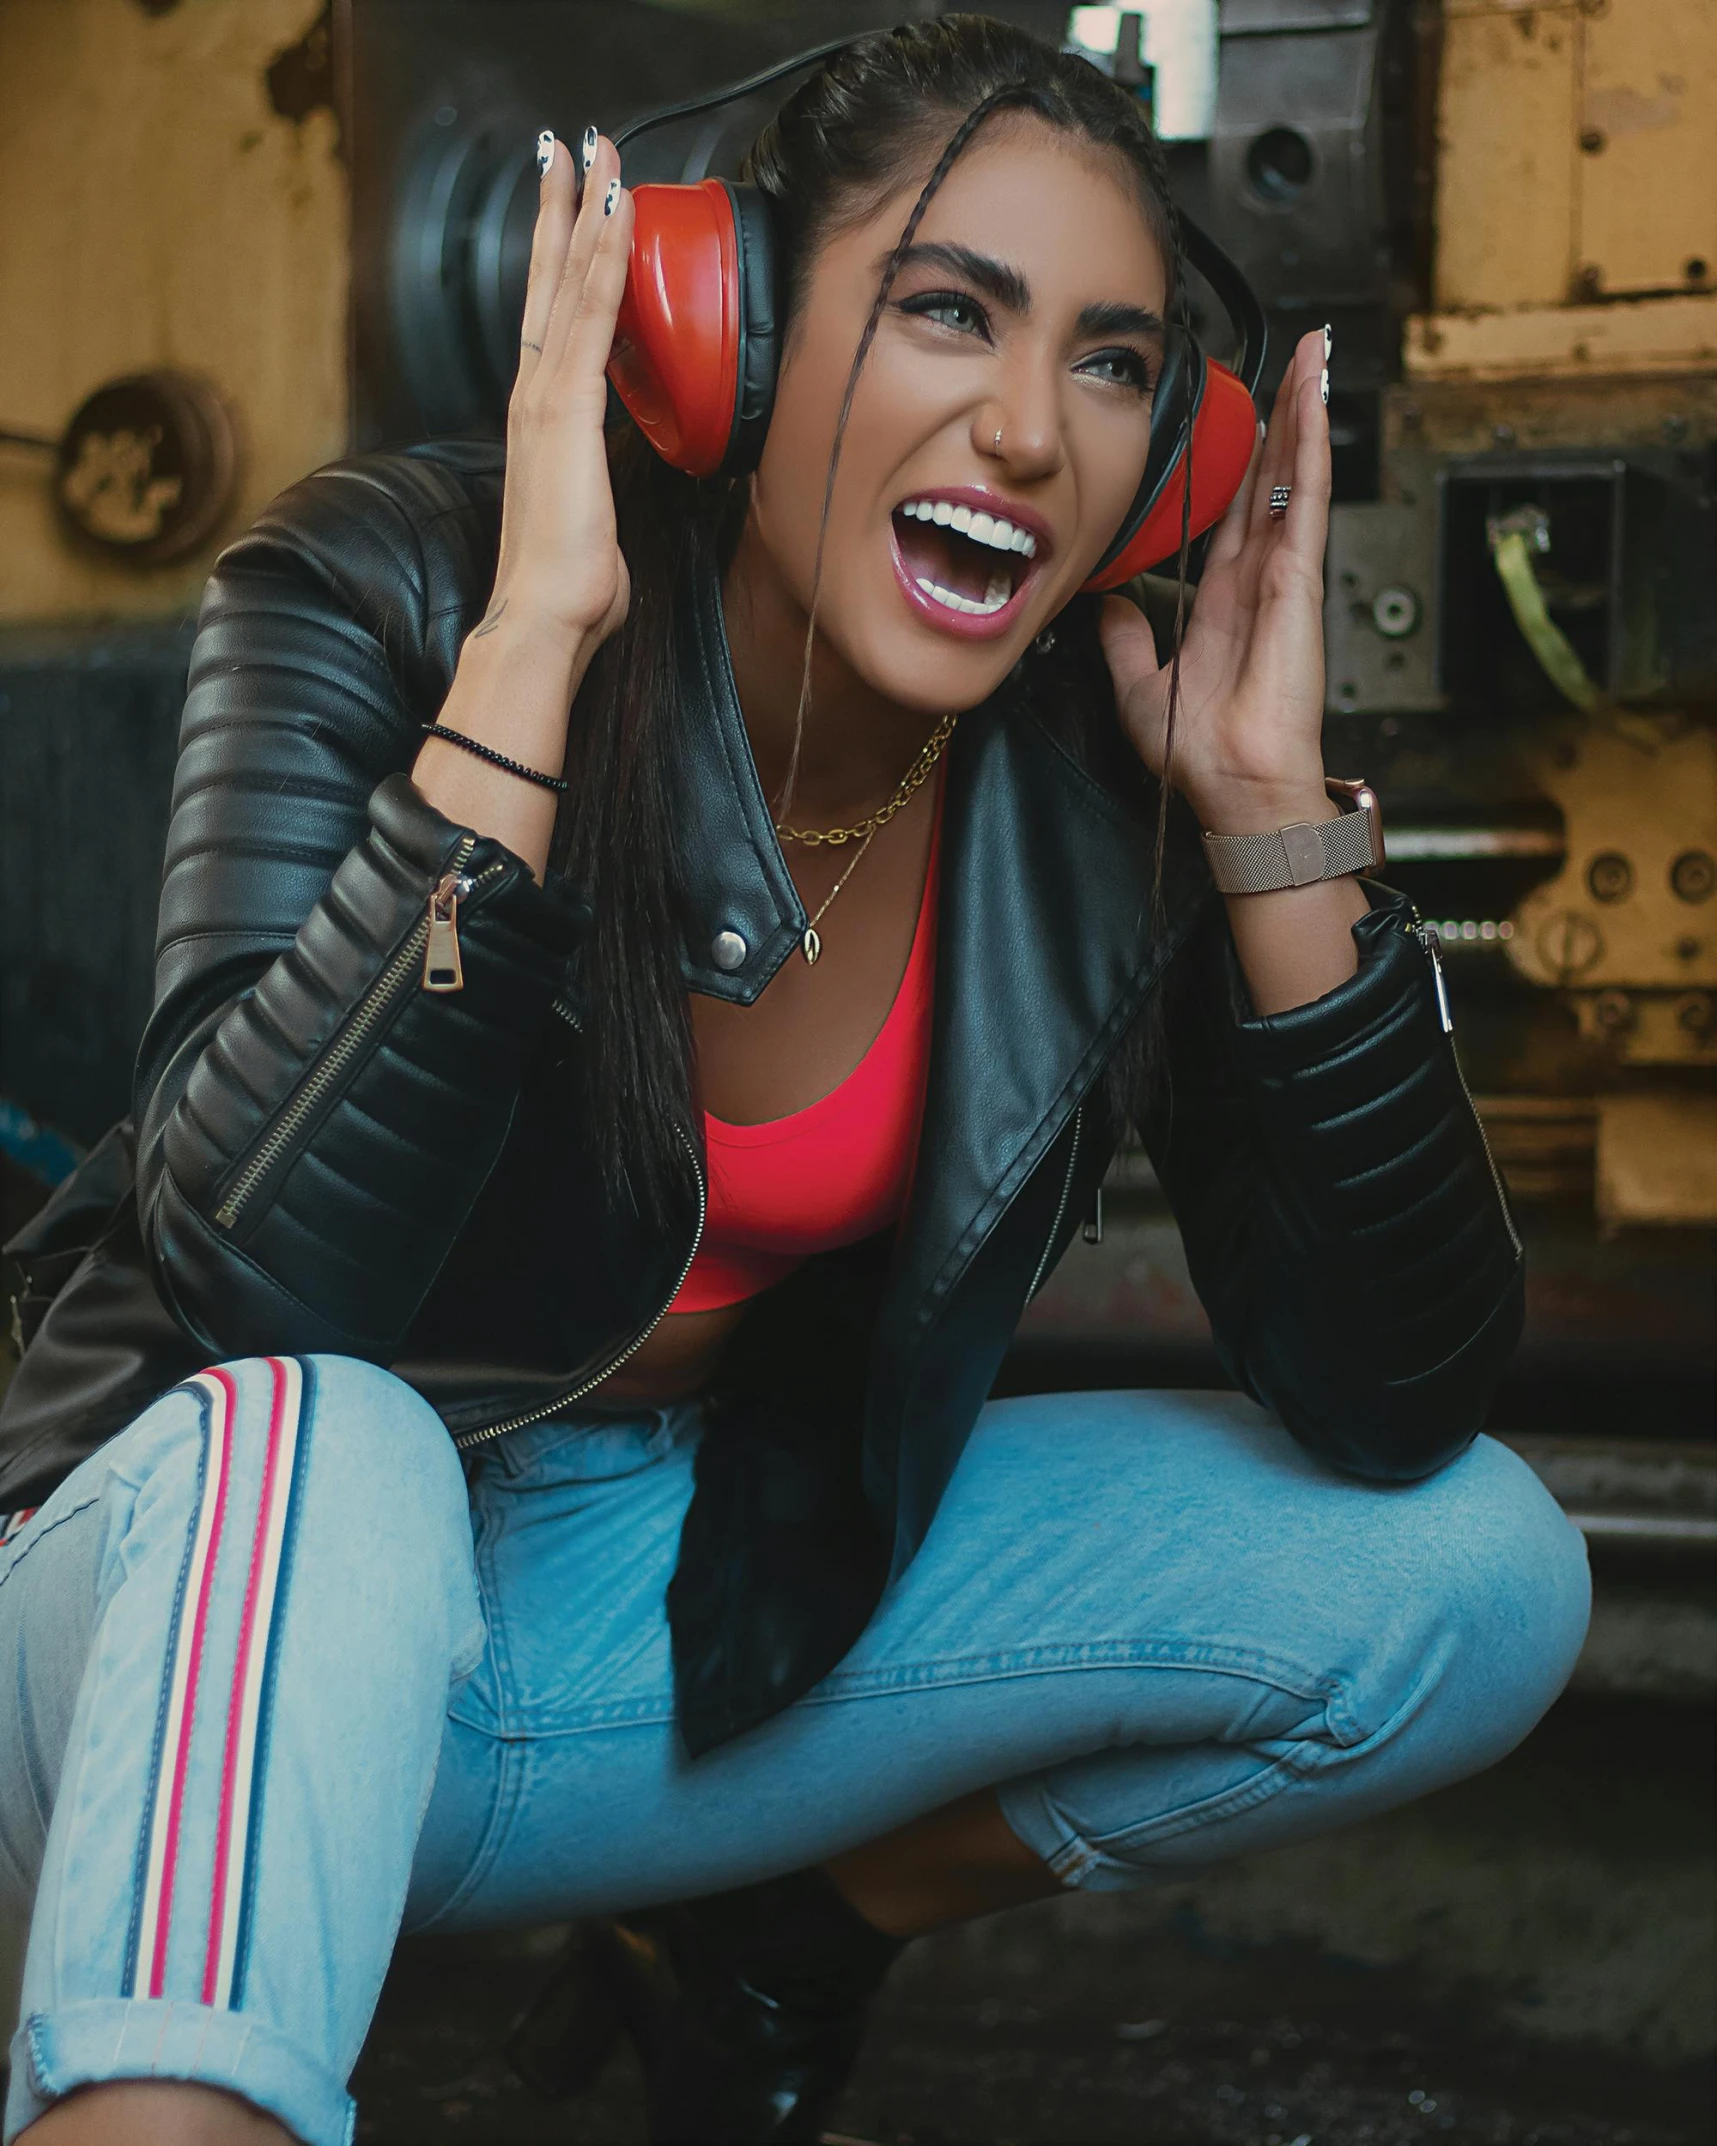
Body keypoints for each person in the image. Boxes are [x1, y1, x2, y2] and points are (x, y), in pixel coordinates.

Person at [0, 18, 1589, 2145]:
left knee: (1474, 1571)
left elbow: (1393, 1393)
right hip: (177, 1617)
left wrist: (1271, 819)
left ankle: (764, 1937)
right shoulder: (382, 585)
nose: (1029, 426)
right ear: (717, 336)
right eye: (951, 311)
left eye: (1115, 365)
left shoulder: (1089, 769)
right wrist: (531, 662)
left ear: (1174, 460)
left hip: (624, 1643)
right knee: (328, 1440)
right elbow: (244, 1278)